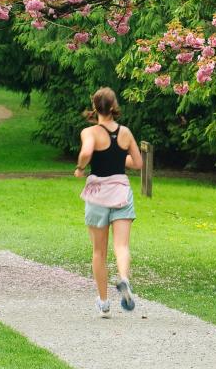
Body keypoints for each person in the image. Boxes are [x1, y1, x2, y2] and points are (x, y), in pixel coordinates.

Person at [74, 87, 143, 318]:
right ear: (114, 106)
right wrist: (118, 156)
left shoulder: (90, 132)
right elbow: (138, 162)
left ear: (95, 107)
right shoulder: (126, 132)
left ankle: (103, 302)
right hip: (121, 191)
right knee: (121, 246)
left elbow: (86, 153)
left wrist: (80, 167)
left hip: (98, 194)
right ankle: (124, 278)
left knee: (98, 252)